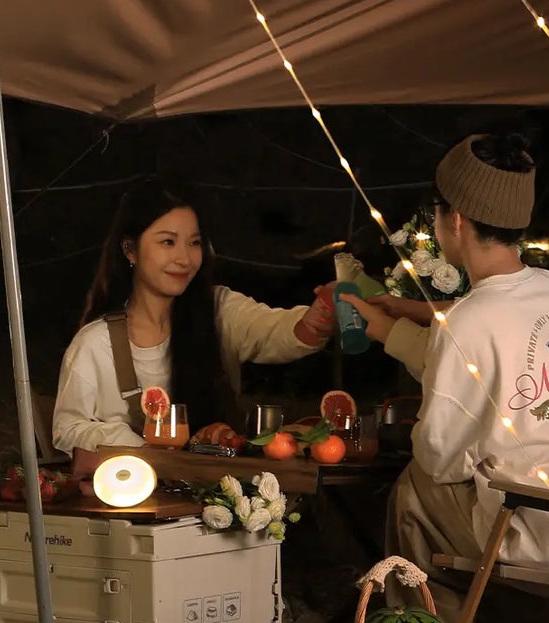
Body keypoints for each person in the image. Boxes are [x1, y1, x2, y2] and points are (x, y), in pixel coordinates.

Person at [348, 133, 549, 623]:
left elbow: (439, 455)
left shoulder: (468, 321)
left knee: (420, 487)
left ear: (454, 220)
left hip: (543, 534)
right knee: (507, 480)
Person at [52, 177, 336, 454]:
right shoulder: (96, 343)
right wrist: (135, 442)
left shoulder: (219, 310)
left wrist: (320, 315)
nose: (184, 259)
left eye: (194, 243)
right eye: (167, 242)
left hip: (221, 490)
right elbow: (66, 430)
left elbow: (277, 331)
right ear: (130, 250)